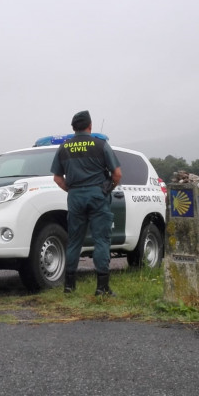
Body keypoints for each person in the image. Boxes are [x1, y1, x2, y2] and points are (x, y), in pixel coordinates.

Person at [50, 110, 122, 296]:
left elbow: (57, 178)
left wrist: (72, 190)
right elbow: (117, 174)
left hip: (75, 197)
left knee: (74, 241)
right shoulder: (100, 144)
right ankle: (102, 287)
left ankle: (69, 286)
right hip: (97, 195)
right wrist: (107, 189)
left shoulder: (64, 148)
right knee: (101, 240)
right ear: (90, 126)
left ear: (73, 128)